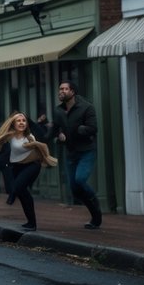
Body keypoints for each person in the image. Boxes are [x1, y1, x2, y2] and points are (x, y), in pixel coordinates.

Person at [44, 80, 102, 229]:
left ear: (72, 92)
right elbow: (54, 131)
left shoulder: (86, 107)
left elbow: (93, 128)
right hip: (71, 153)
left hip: (86, 151)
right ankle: (95, 217)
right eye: (60, 89)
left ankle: (94, 201)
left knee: (80, 179)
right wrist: (56, 136)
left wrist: (75, 130)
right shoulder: (58, 111)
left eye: (65, 89)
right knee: (75, 189)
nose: (61, 91)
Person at [0, 111, 57, 231]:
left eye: (24, 120)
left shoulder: (30, 137)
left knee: (17, 187)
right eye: (18, 121)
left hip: (32, 166)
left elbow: (42, 142)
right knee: (23, 194)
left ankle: (11, 197)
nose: (21, 123)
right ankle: (31, 223)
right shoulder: (9, 137)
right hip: (16, 166)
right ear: (13, 123)